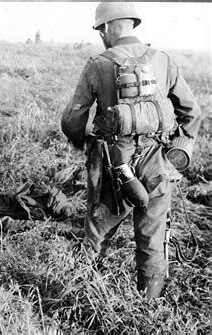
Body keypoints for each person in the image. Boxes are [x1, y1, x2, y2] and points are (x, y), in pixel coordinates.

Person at [61, 2, 201, 298]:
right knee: (152, 237)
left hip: (115, 162)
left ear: (109, 27)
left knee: (97, 231)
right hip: (157, 161)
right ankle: (146, 307)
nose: (101, 34)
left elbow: (73, 119)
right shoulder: (162, 59)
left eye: (101, 29)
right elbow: (192, 112)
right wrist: (178, 152)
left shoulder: (98, 64)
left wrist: (84, 144)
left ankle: (77, 296)